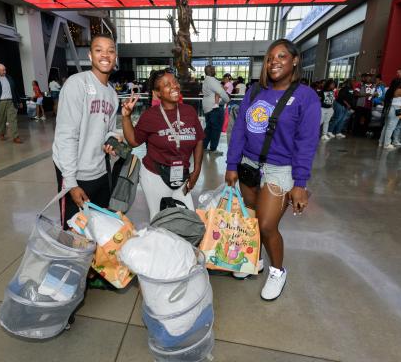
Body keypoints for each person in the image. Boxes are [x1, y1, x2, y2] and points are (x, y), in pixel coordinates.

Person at [225, 39, 320, 300]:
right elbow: (240, 130)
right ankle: (252, 259)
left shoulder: (305, 97)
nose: (274, 62)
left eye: (281, 57)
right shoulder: (255, 91)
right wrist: (232, 163)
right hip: (249, 165)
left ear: (295, 60)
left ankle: (278, 271)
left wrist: (300, 183)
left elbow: (307, 143)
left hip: (280, 170)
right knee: (251, 220)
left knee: (267, 225)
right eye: (269, 58)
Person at [53, 33, 119, 230]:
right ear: (90, 55)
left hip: (99, 171)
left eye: (110, 51)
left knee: (98, 230)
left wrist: (113, 141)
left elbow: (108, 130)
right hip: (75, 173)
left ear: (115, 57)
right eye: (99, 50)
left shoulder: (112, 94)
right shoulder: (77, 84)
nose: (105, 55)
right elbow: (66, 135)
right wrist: (71, 183)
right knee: (75, 234)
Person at [121, 69, 204, 219]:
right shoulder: (150, 115)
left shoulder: (189, 111)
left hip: (182, 175)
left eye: (175, 82)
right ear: (157, 93)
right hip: (155, 175)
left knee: (188, 218)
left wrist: (197, 169)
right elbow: (133, 141)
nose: (174, 86)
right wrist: (126, 117)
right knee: (160, 219)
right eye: (167, 85)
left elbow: (198, 139)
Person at [0, 63, 23, 143]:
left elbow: (15, 90)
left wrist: (19, 101)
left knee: (13, 119)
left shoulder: (9, 77)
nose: (5, 71)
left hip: (11, 101)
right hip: (0, 102)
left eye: (5, 69)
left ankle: (15, 137)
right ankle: (1, 133)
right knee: (2, 119)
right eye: (2, 70)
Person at [202, 65, 230, 155]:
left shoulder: (206, 80)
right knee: (216, 129)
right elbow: (221, 92)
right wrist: (227, 100)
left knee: (209, 128)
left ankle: (203, 146)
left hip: (207, 107)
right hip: (215, 108)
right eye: (214, 69)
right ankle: (213, 149)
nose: (215, 71)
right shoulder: (212, 81)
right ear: (211, 71)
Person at [378, 78, 401, 149]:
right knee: (391, 127)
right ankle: (387, 144)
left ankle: (381, 142)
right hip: (395, 109)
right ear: (399, 84)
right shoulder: (399, 90)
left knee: (386, 126)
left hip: (389, 108)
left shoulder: (389, 89)